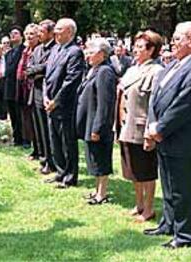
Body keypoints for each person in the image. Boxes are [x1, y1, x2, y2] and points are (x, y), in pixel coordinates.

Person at [145, 21, 191, 249]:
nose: (171, 43)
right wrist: (152, 126)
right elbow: (156, 99)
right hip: (163, 137)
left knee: (183, 189)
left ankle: (184, 236)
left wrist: (160, 128)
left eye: (176, 38)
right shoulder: (170, 66)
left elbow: (184, 105)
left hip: (183, 140)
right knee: (168, 185)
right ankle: (168, 223)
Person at [115, 30, 164, 220]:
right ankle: (139, 204)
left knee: (146, 171)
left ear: (152, 50)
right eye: (135, 46)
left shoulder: (156, 71)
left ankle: (149, 208)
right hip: (126, 127)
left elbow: (155, 104)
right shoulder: (132, 69)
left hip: (141, 127)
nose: (135, 50)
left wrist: (150, 133)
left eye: (140, 47)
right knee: (133, 170)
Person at [43, 18, 85, 188]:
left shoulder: (75, 52)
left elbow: (71, 80)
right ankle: (60, 172)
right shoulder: (55, 49)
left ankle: (70, 176)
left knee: (67, 142)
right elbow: (47, 76)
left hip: (65, 106)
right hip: (50, 104)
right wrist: (46, 97)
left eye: (59, 29)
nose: (56, 32)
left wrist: (56, 101)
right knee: (55, 141)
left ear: (69, 32)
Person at [77, 38, 116, 204]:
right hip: (89, 122)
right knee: (94, 157)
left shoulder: (105, 72)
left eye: (91, 52)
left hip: (97, 124)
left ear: (101, 54)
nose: (87, 55)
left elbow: (104, 103)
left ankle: (102, 194)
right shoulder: (94, 70)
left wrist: (97, 128)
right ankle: (97, 190)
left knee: (101, 158)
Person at [26, 19, 56, 174]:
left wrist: (35, 70)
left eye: (42, 32)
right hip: (36, 92)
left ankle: (52, 161)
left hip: (48, 93)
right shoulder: (37, 50)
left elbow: (47, 67)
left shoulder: (55, 49)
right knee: (39, 129)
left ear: (51, 33)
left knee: (48, 129)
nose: (39, 34)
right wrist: (35, 71)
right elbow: (29, 69)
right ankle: (44, 159)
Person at [17, 23, 40, 154]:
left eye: (32, 34)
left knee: (35, 120)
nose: (29, 36)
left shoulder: (38, 50)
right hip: (24, 89)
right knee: (27, 118)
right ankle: (32, 146)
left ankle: (38, 149)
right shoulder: (25, 51)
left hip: (34, 88)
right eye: (27, 34)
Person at [4, 26, 25, 146]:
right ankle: (16, 138)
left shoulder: (25, 51)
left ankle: (23, 138)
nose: (13, 35)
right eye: (11, 34)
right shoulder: (8, 53)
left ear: (21, 36)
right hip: (9, 88)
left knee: (20, 114)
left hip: (19, 88)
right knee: (12, 114)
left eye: (16, 33)